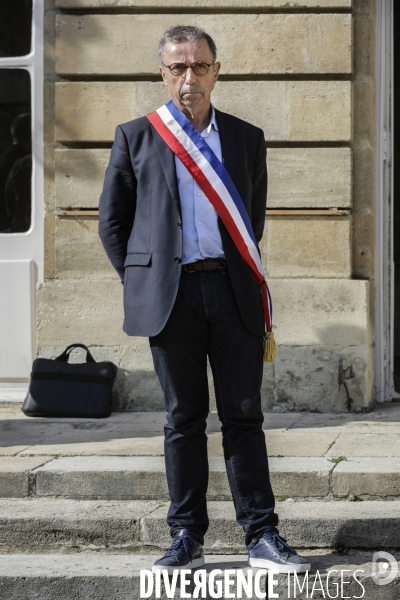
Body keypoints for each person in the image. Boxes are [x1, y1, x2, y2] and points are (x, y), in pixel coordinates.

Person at [99, 25, 310, 575]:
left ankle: (263, 536)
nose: (188, 77)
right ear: (162, 72)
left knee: (244, 416)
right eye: (177, 67)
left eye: (199, 66)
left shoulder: (245, 137)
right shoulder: (137, 136)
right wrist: (142, 279)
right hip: (172, 298)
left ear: (217, 71)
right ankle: (185, 537)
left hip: (232, 290)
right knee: (182, 419)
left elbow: (252, 219)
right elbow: (113, 223)